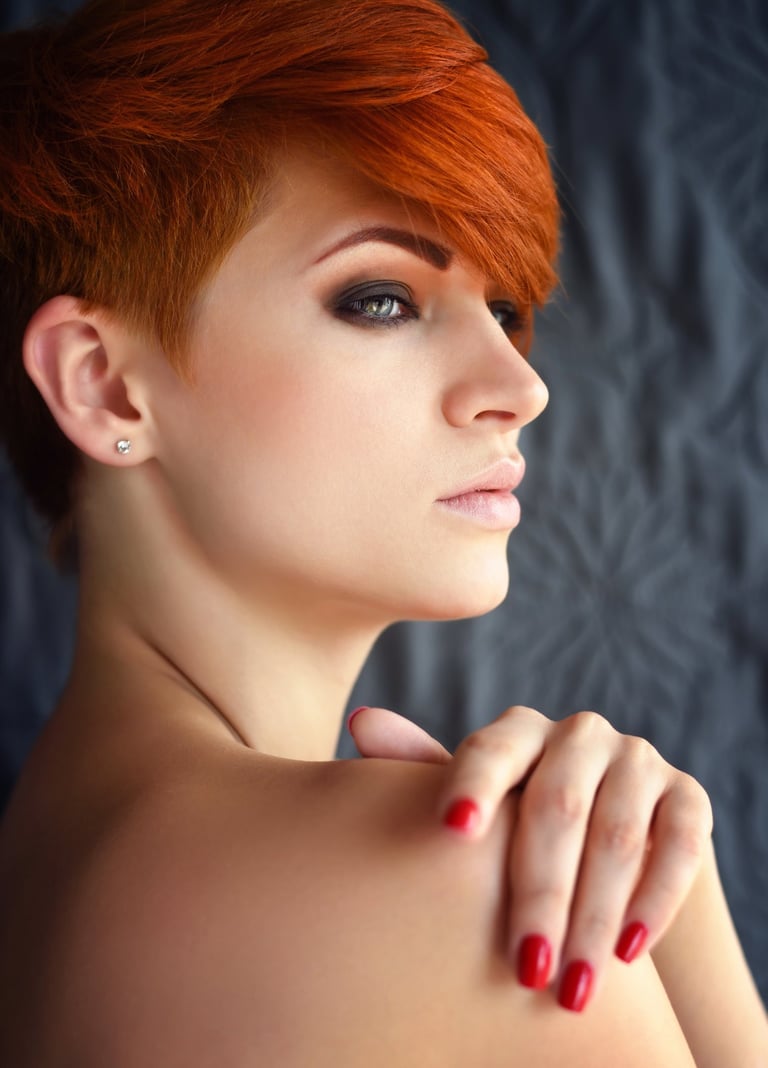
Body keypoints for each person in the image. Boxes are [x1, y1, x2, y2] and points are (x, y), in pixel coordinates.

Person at [0, 0, 765, 1064]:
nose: (521, 388)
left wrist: (674, 900)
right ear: (104, 386)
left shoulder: (44, 845)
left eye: (504, 312)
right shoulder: (459, 895)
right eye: (381, 300)